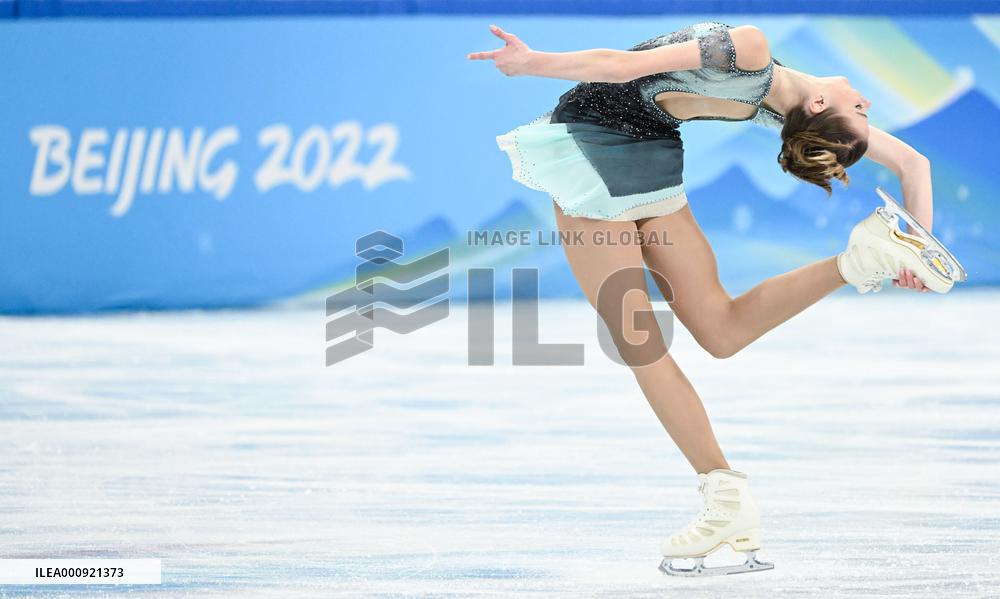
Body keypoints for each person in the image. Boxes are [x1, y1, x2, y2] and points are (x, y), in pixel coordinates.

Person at [468, 20, 964, 576]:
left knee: (640, 345)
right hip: (652, 156)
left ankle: (725, 498)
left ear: (820, 102)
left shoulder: (751, 50)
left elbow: (620, 67)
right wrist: (915, 245)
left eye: (862, 111)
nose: (868, 101)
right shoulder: (781, 103)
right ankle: (860, 260)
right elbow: (911, 164)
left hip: (594, 147)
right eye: (866, 112)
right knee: (720, 330)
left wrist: (531, 62)